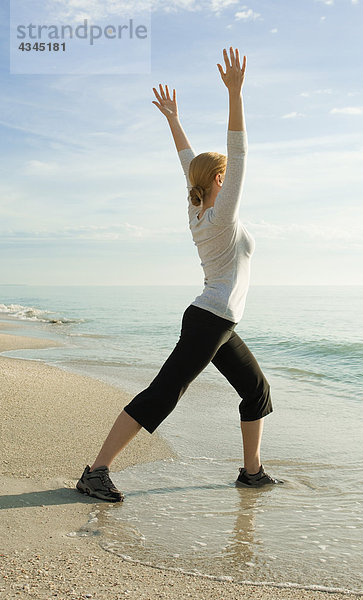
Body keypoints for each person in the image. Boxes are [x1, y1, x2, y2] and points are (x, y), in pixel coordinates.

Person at [76, 47, 283, 502]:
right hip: (210, 319)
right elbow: (239, 152)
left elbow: (188, 161)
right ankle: (96, 471)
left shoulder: (197, 210)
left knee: (256, 391)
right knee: (164, 394)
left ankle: (252, 472)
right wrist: (234, 94)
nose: (231, 181)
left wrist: (173, 118)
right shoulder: (221, 216)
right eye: (225, 177)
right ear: (219, 182)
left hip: (218, 322)